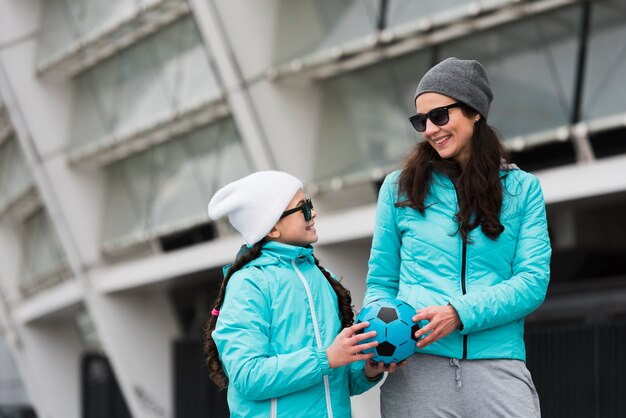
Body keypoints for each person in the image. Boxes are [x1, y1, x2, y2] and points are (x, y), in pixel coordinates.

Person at [364, 57, 551, 417]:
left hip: (498, 368)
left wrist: (458, 313)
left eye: (440, 116)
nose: (431, 129)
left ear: (474, 111)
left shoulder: (524, 189)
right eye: (421, 121)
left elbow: (532, 282)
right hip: (416, 372)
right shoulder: (397, 188)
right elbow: (381, 282)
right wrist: (378, 342)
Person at [204, 171, 390, 418]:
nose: (313, 213)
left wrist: (368, 370)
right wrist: (326, 358)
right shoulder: (248, 284)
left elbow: (336, 383)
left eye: (310, 204)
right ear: (271, 228)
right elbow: (248, 375)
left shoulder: (324, 277)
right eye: (302, 209)